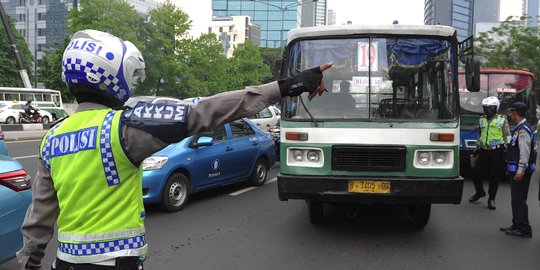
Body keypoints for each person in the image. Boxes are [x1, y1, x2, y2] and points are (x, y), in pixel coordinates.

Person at [16, 29, 332, 270]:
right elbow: (204, 111)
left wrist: (30, 261)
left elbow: (39, 218)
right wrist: (285, 86)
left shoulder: (52, 138)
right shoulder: (123, 129)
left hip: (65, 262)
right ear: (112, 77)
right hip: (116, 263)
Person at [499, 102, 536, 238]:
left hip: (522, 172)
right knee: (515, 199)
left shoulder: (523, 130)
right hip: (517, 170)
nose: (510, 114)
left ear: (516, 112)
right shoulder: (520, 127)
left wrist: (520, 170)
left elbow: (524, 153)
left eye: (511, 111)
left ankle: (524, 229)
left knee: (519, 200)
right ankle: (517, 224)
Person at [469, 96, 510, 210]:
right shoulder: (481, 119)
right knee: (476, 174)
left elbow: (507, 135)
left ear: (495, 108)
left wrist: (507, 148)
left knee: (494, 176)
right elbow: (480, 135)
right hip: (483, 151)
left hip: (497, 151)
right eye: (485, 108)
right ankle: (479, 192)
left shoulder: (502, 119)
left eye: (490, 108)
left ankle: (491, 199)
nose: (487, 110)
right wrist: (476, 148)